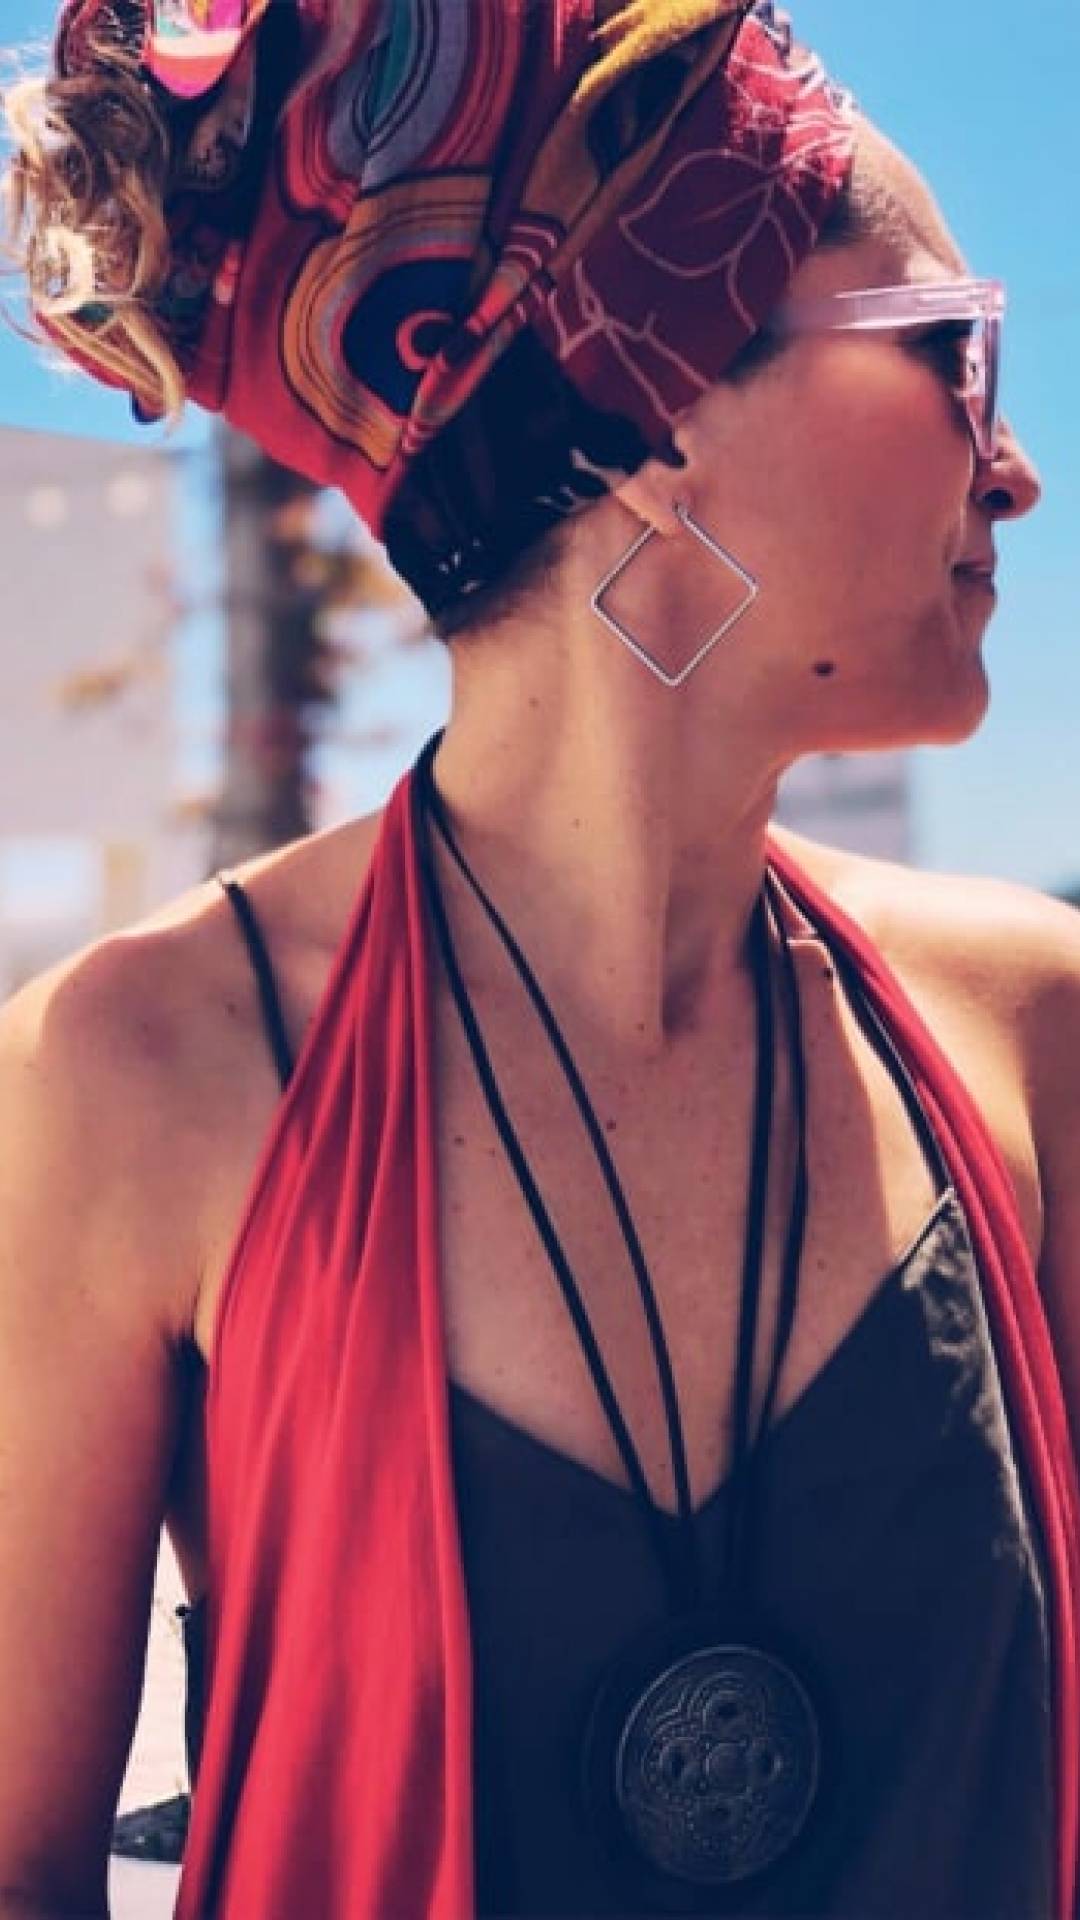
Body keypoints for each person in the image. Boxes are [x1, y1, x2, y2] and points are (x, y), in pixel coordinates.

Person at [0, 2, 1078, 1915]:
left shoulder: (1030, 1027)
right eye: (949, 347)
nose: (1013, 473)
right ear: (657, 418)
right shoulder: (144, 1071)